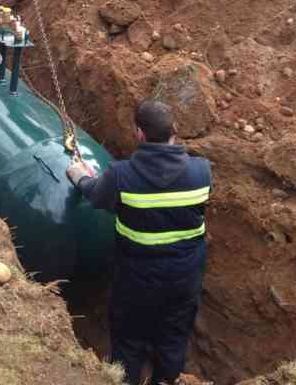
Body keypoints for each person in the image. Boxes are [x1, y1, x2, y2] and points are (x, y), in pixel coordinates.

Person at [67, 100, 211, 385]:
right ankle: (166, 380)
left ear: (140, 134)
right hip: (184, 280)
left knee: (129, 341)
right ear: (175, 130)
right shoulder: (202, 171)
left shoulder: (121, 175)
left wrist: (79, 176)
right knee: (173, 339)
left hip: (136, 281)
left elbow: (97, 195)